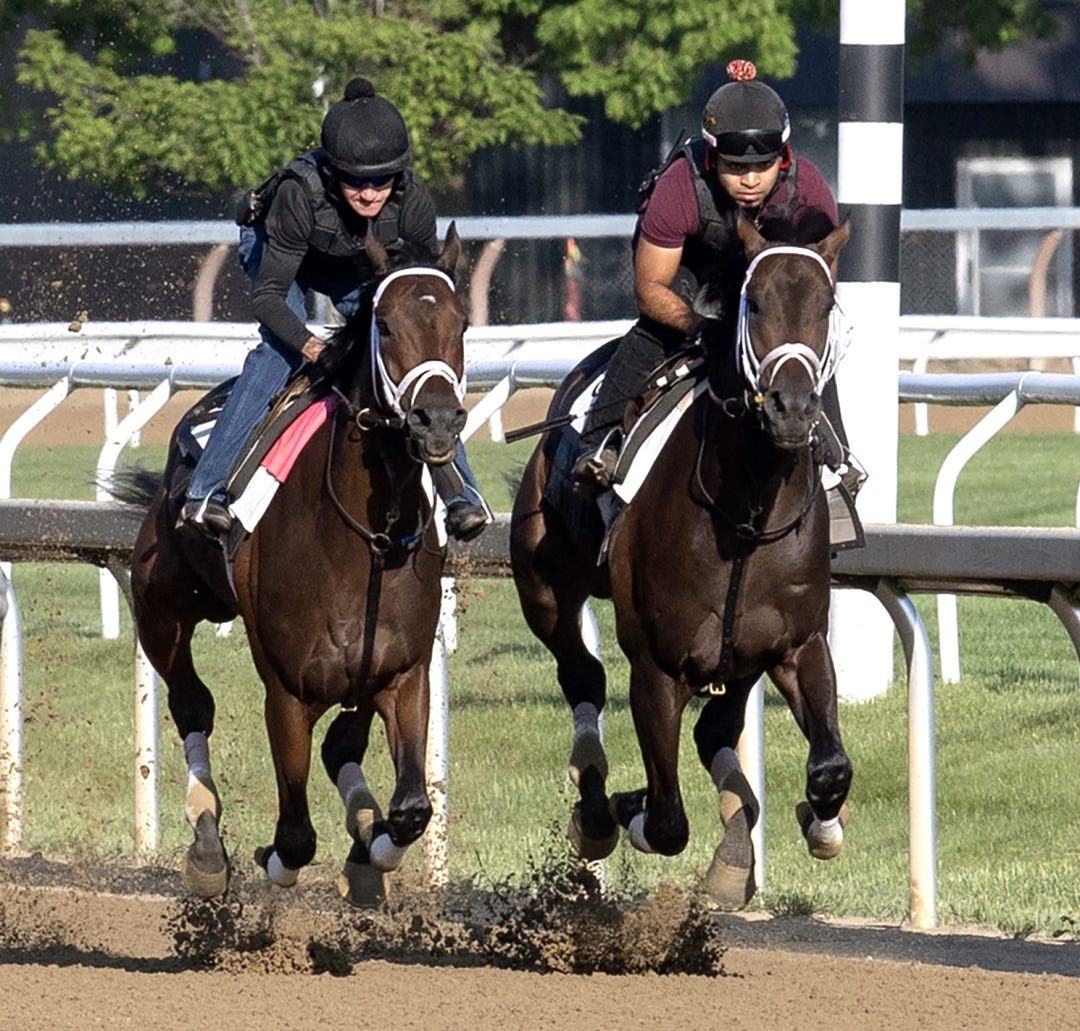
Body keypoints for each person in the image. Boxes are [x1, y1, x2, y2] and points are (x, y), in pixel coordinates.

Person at [178, 76, 491, 542]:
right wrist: (311, 345)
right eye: (356, 182)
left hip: (351, 262)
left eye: (381, 181)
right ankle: (208, 492)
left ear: (399, 174)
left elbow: (420, 293)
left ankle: (460, 493)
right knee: (277, 354)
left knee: (407, 350)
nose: (369, 194)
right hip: (279, 256)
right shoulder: (297, 195)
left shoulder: (414, 203)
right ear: (332, 172)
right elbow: (267, 299)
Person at [573, 59, 865, 497]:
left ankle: (836, 453)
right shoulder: (678, 188)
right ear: (711, 158)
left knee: (799, 341)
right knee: (656, 331)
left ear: (783, 159)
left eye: (762, 167)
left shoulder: (809, 192)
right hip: (689, 268)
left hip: (771, 274)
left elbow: (816, 294)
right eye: (733, 167)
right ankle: (600, 442)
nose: (749, 179)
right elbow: (649, 289)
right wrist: (703, 328)